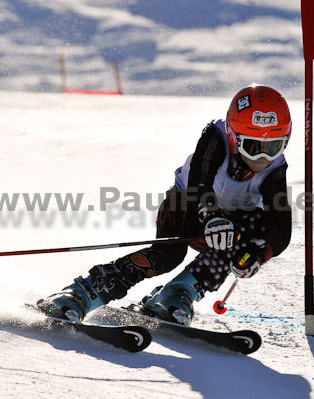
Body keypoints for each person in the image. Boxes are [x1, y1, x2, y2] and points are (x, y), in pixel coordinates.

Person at [37, 84, 292, 326]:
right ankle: (83, 292)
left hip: (225, 226)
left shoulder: (275, 169)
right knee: (168, 254)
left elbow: (280, 227)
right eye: (253, 146)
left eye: (274, 147)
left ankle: (177, 293)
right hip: (185, 207)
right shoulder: (215, 138)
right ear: (234, 137)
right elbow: (199, 180)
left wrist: (257, 255)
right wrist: (211, 213)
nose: (263, 157)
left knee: (244, 233)